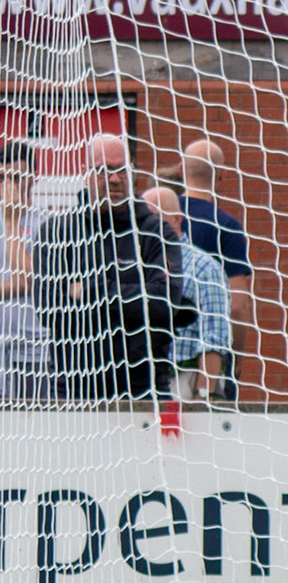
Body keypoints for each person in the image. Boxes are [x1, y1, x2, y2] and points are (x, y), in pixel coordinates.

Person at [33, 133, 192, 400]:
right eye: (104, 170)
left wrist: (89, 291)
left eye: (121, 169)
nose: (115, 179)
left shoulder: (156, 232)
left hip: (144, 388)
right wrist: (132, 297)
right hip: (74, 387)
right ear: (85, 173)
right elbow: (49, 310)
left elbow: (164, 304)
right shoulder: (57, 232)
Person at [142, 186, 231, 402]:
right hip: (139, 380)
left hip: (182, 380)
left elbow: (213, 338)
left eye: (154, 217)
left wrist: (204, 394)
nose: (145, 225)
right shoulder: (135, 262)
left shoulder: (203, 268)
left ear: (176, 220)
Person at [180, 140, 249, 399]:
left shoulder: (158, 216)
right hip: (208, 359)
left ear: (181, 169)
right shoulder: (226, 226)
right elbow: (237, 305)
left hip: (159, 357)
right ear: (221, 177)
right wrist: (236, 361)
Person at [0, 142, 49, 401]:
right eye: (2, 178)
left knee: (32, 418)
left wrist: (11, 220)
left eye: (16, 177)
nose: (8, 185)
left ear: (34, 177)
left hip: (32, 348)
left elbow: (31, 280)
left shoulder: (47, 223)